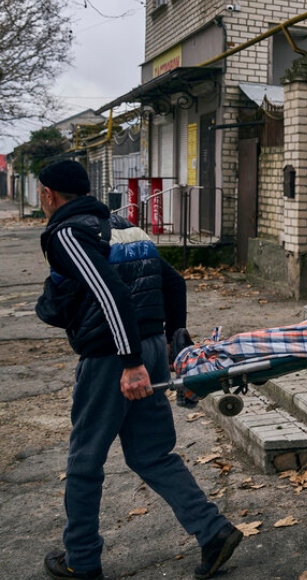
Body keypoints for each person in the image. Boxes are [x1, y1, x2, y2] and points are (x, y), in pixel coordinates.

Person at [34, 160, 242, 580]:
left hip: (113, 357)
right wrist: (168, 344)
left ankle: (81, 559)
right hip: (145, 348)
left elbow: (112, 295)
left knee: (85, 460)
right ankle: (213, 531)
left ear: (48, 194)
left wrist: (130, 364)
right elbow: (174, 282)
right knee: (151, 452)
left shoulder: (66, 232)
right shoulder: (121, 224)